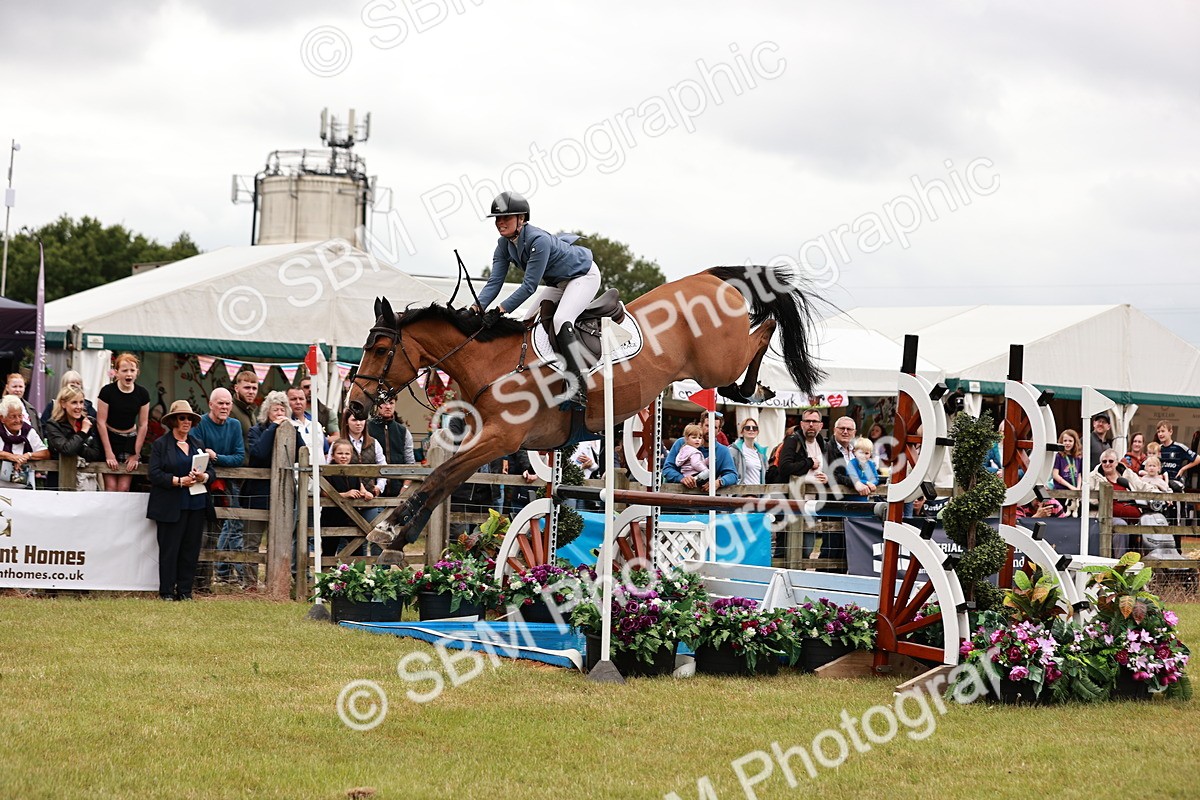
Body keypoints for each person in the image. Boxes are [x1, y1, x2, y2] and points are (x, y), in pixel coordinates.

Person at [472, 191, 599, 411]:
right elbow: (494, 282)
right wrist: (475, 308)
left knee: (561, 319)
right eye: (497, 218)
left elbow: (529, 286)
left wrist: (500, 310)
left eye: (506, 218)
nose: (500, 223)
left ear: (521, 218)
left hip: (583, 276)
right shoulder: (503, 245)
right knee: (527, 322)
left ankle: (578, 386)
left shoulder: (537, 240)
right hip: (559, 283)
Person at [146, 401, 214, 601]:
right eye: (182, 417)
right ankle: (167, 591)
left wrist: (204, 477)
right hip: (170, 506)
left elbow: (210, 471)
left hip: (196, 504)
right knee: (169, 550)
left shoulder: (197, 444)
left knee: (190, 550)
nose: (186, 421)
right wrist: (178, 481)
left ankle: (185, 591)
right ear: (174, 420)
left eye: (189, 418)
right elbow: (154, 474)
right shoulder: (160, 444)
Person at [195, 388, 246, 586]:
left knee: (221, 530)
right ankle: (198, 580)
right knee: (201, 532)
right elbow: (198, 454)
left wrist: (216, 457)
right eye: (220, 403)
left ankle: (209, 580)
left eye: (227, 403)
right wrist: (213, 460)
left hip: (228, 486)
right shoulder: (200, 423)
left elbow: (239, 457)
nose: (224, 407)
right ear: (211, 404)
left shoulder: (234, 425)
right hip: (203, 484)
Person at [96, 353, 150, 492]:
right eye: (124, 370)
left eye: (132, 370)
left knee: (123, 488)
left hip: (129, 439)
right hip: (109, 437)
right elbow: (100, 422)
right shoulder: (107, 392)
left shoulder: (142, 394)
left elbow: (143, 424)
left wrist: (136, 454)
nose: (129, 374)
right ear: (116, 373)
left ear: (137, 372)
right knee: (111, 487)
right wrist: (108, 452)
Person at [242, 391, 298, 513]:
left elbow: (300, 454)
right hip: (259, 489)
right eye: (275, 410)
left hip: (284, 488)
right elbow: (259, 454)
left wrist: (294, 430)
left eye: (282, 410)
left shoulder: (290, 429)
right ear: (267, 412)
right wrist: (272, 428)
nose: (279, 413)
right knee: (257, 530)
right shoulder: (255, 431)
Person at [43, 385, 103, 490]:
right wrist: (83, 432)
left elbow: (96, 454)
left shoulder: (89, 422)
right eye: (74, 402)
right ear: (63, 404)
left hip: (86, 482)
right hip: (59, 480)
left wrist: (73, 443)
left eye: (81, 402)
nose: (79, 407)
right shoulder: (53, 425)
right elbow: (67, 450)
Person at [662, 423, 737, 490]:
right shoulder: (682, 442)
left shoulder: (723, 450)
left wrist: (720, 482)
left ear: (719, 431)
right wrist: (682, 478)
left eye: (715, 427)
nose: (710, 429)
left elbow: (732, 475)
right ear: (700, 426)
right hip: (679, 497)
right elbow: (667, 469)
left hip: (705, 498)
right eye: (707, 425)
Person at [343, 411, 386, 523]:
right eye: (354, 420)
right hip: (345, 501)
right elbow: (330, 468)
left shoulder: (374, 443)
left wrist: (378, 488)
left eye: (361, 420)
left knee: (370, 530)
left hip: (369, 499)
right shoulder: (339, 443)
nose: (358, 423)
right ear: (347, 422)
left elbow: (383, 468)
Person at [0, 394, 50, 489]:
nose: (18, 420)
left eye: (20, 416)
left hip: (23, 487)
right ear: (2, 418)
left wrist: (28, 455)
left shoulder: (28, 431)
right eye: (13, 417)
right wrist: (9, 456)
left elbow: (45, 453)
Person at [367, 398, 414, 499]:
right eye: (384, 403)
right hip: (372, 492)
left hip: (398, 492)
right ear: (377, 405)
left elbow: (410, 463)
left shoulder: (403, 431)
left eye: (391, 403)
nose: (388, 407)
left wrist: (405, 487)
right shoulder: (366, 428)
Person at [777, 409, 828, 484]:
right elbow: (784, 468)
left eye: (814, 421)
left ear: (821, 426)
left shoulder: (823, 444)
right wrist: (809, 463)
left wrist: (827, 478)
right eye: (807, 421)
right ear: (801, 424)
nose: (811, 424)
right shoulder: (792, 440)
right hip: (795, 493)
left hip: (817, 494)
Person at [730, 417, 768, 485]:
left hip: (758, 492)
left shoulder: (761, 453)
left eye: (754, 428)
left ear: (757, 432)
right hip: (742, 493)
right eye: (747, 428)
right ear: (742, 431)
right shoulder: (734, 451)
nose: (751, 430)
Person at [228, 369, 260, 450]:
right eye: (247, 387)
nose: (251, 392)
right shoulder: (230, 410)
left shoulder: (250, 411)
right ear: (236, 388)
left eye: (254, 388)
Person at [299, 372, 337, 437]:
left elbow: (336, 436)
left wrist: (321, 441)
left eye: (313, 387)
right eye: (306, 387)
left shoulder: (327, 412)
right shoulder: (292, 411)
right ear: (299, 390)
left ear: (317, 390)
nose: (310, 390)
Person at [5, 373, 42, 437]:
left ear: (24, 388)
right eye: (14, 386)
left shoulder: (31, 410)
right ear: (7, 388)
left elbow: (39, 434)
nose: (18, 390)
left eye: (20, 386)